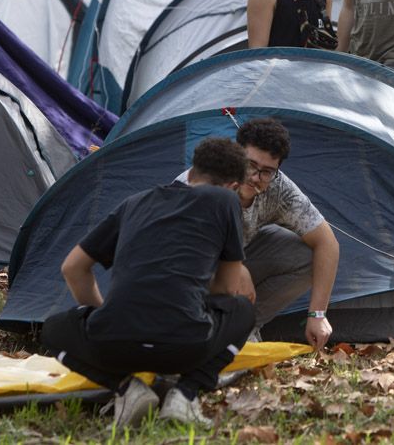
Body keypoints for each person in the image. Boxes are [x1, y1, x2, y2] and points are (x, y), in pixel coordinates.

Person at [41, 138, 255, 429]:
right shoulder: (226, 200)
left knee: (53, 329)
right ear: (232, 186)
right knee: (242, 309)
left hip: (114, 347)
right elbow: (228, 289)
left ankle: (126, 389)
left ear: (191, 172)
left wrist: (104, 316)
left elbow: (73, 268)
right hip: (184, 347)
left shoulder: (134, 203)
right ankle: (186, 393)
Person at [178, 118, 339, 347]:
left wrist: (318, 314)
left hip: (236, 263)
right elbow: (178, 247)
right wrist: (234, 265)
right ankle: (201, 326)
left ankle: (244, 327)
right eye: (250, 165)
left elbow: (328, 243)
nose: (255, 177)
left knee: (309, 255)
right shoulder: (206, 180)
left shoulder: (278, 187)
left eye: (266, 171)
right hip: (189, 269)